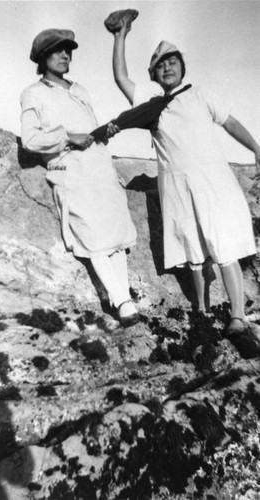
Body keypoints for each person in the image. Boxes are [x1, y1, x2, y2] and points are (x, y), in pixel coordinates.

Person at [110, 21, 260, 334]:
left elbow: (230, 123)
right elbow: (122, 78)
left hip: (213, 181)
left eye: (173, 61)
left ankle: (237, 317)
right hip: (176, 185)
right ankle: (202, 310)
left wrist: (257, 149)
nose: (167, 67)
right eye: (160, 65)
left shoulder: (201, 94)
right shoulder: (153, 107)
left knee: (224, 246)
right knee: (192, 248)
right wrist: (120, 37)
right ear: (153, 75)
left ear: (183, 67)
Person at [20, 28, 139, 327]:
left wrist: (103, 134)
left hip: (98, 166)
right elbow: (30, 140)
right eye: (56, 51)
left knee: (116, 233)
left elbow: (90, 131)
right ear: (42, 58)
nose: (64, 56)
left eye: (67, 51)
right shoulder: (33, 93)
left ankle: (123, 296)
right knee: (93, 234)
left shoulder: (80, 89)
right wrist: (68, 137)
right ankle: (121, 300)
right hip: (69, 168)